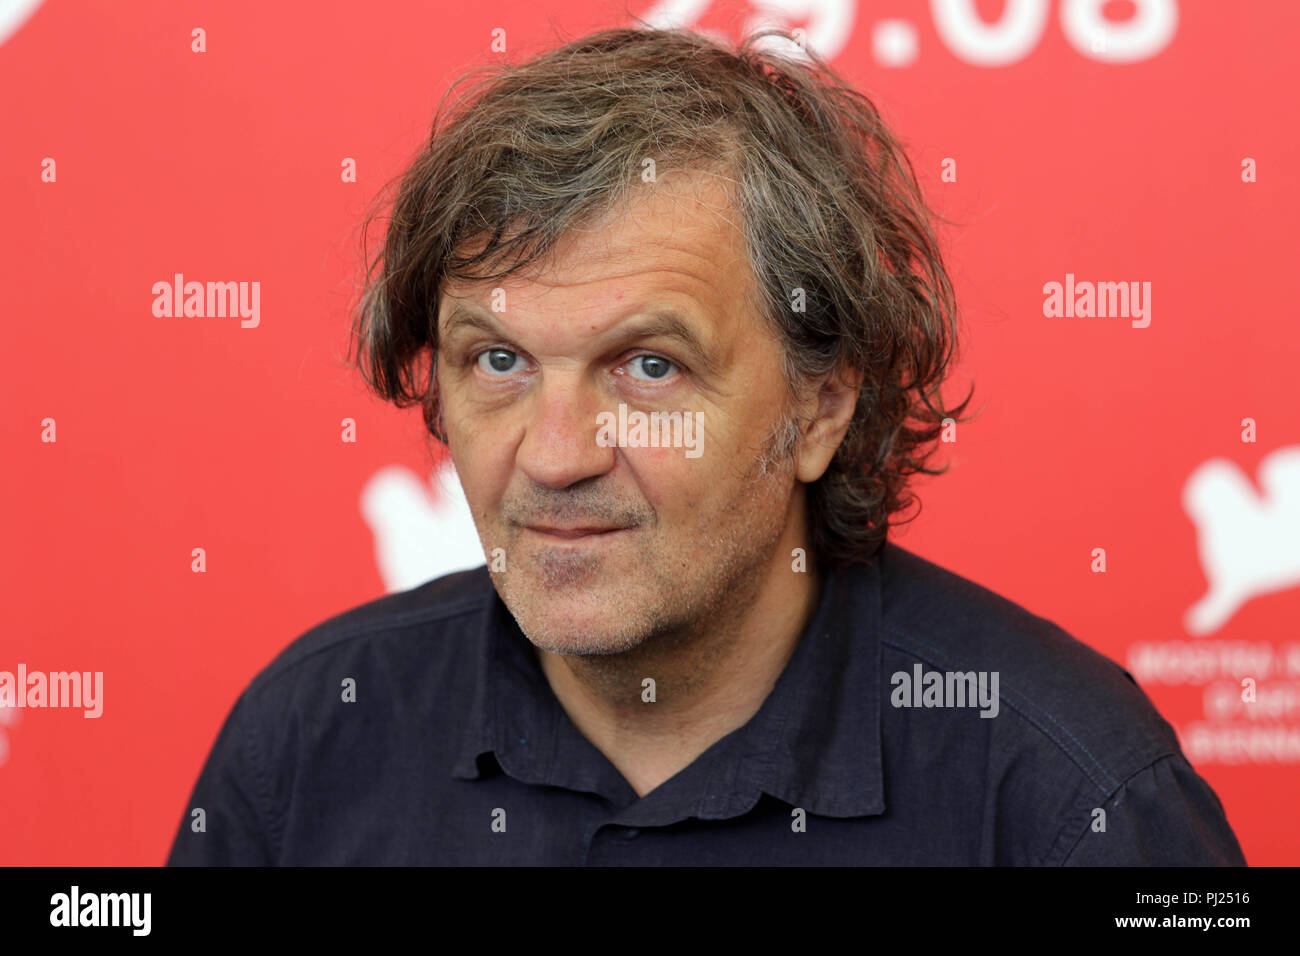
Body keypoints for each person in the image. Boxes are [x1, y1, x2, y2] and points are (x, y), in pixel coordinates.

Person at [167, 26, 1245, 865]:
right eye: (497, 361)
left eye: (647, 366)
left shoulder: (1068, 789)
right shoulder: (309, 737)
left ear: (820, 406)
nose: (552, 455)